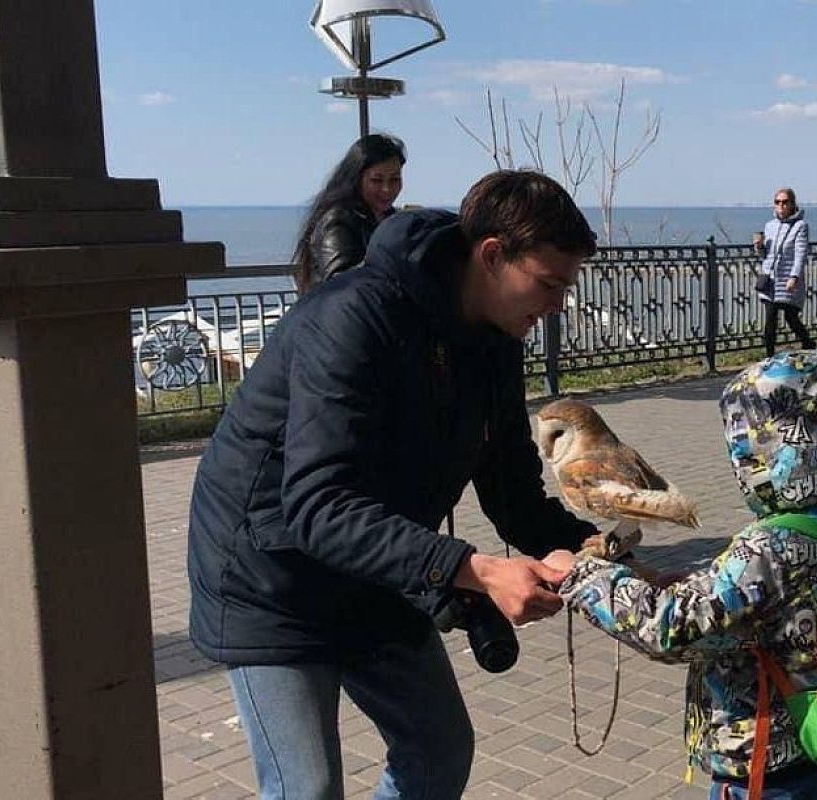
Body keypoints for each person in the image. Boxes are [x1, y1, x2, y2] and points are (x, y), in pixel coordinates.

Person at [188, 170, 601, 800]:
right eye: (548, 285)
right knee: (308, 786)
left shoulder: (496, 340)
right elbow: (318, 506)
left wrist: (593, 550)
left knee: (437, 752)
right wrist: (478, 570)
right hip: (268, 577)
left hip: (376, 564)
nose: (556, 307)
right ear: (492, 255)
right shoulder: (353, 315)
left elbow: (512, 487)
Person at [546, 349, 817, 799]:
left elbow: (672, 628)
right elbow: (754, 615)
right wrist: (681, 585)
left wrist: (584, 577)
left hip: (763, 774)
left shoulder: (769, 547)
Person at [291, 132, 407, 294]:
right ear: (357, 178)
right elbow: (341, 282)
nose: (387, 189)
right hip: (339, 317)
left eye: (394, 179)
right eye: (377, 180)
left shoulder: (391, 219)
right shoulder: (337, 220)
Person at [755, 188, 816, 355]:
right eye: (777, 202)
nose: (780, 205)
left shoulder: (800, 226)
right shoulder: (769, 226)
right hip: (770, 281)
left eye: (784, 202)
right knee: (770, 320)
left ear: (792, 204)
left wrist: (794, 277)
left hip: (788, 280)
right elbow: (765, 256)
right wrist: (759, 247)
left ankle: (808, 344)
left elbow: (800, 253)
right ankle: (769, 357)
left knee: (791, 317)